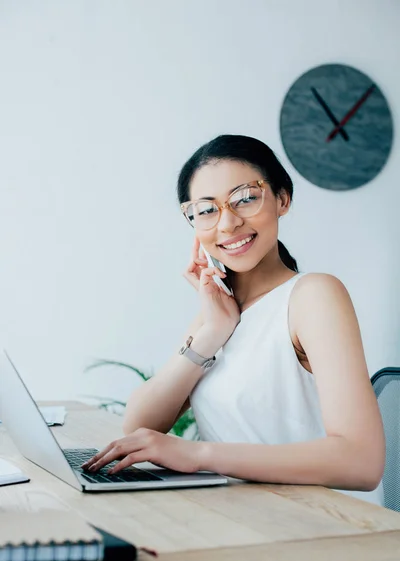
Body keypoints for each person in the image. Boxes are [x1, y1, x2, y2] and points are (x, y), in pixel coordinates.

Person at [82, 134, 385, 504]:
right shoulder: (219, 311)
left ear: (282, 199)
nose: (226, 223)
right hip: (236, 517)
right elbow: (140, 426)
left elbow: (362, 462)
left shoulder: (313, 295)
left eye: (245, 198)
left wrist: (198, 455)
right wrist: (211, 332)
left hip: (312, 524)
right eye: (206, 210)